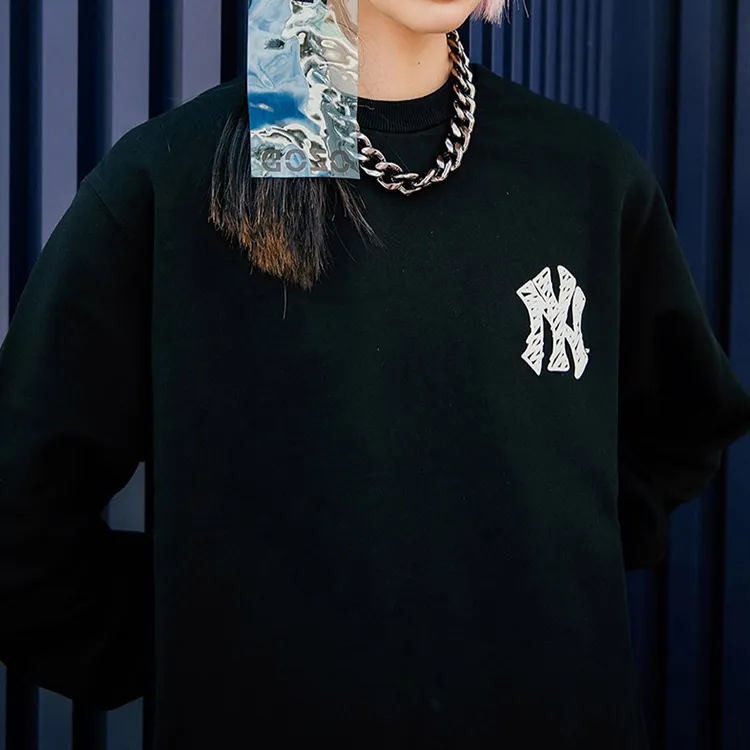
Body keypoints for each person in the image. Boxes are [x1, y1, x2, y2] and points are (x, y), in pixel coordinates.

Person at [1, 0, 749, 747]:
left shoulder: (585, 175)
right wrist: (214, 636)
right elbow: (23, 526)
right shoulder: (174, 184)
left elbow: (684, 426)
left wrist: (545, 571)